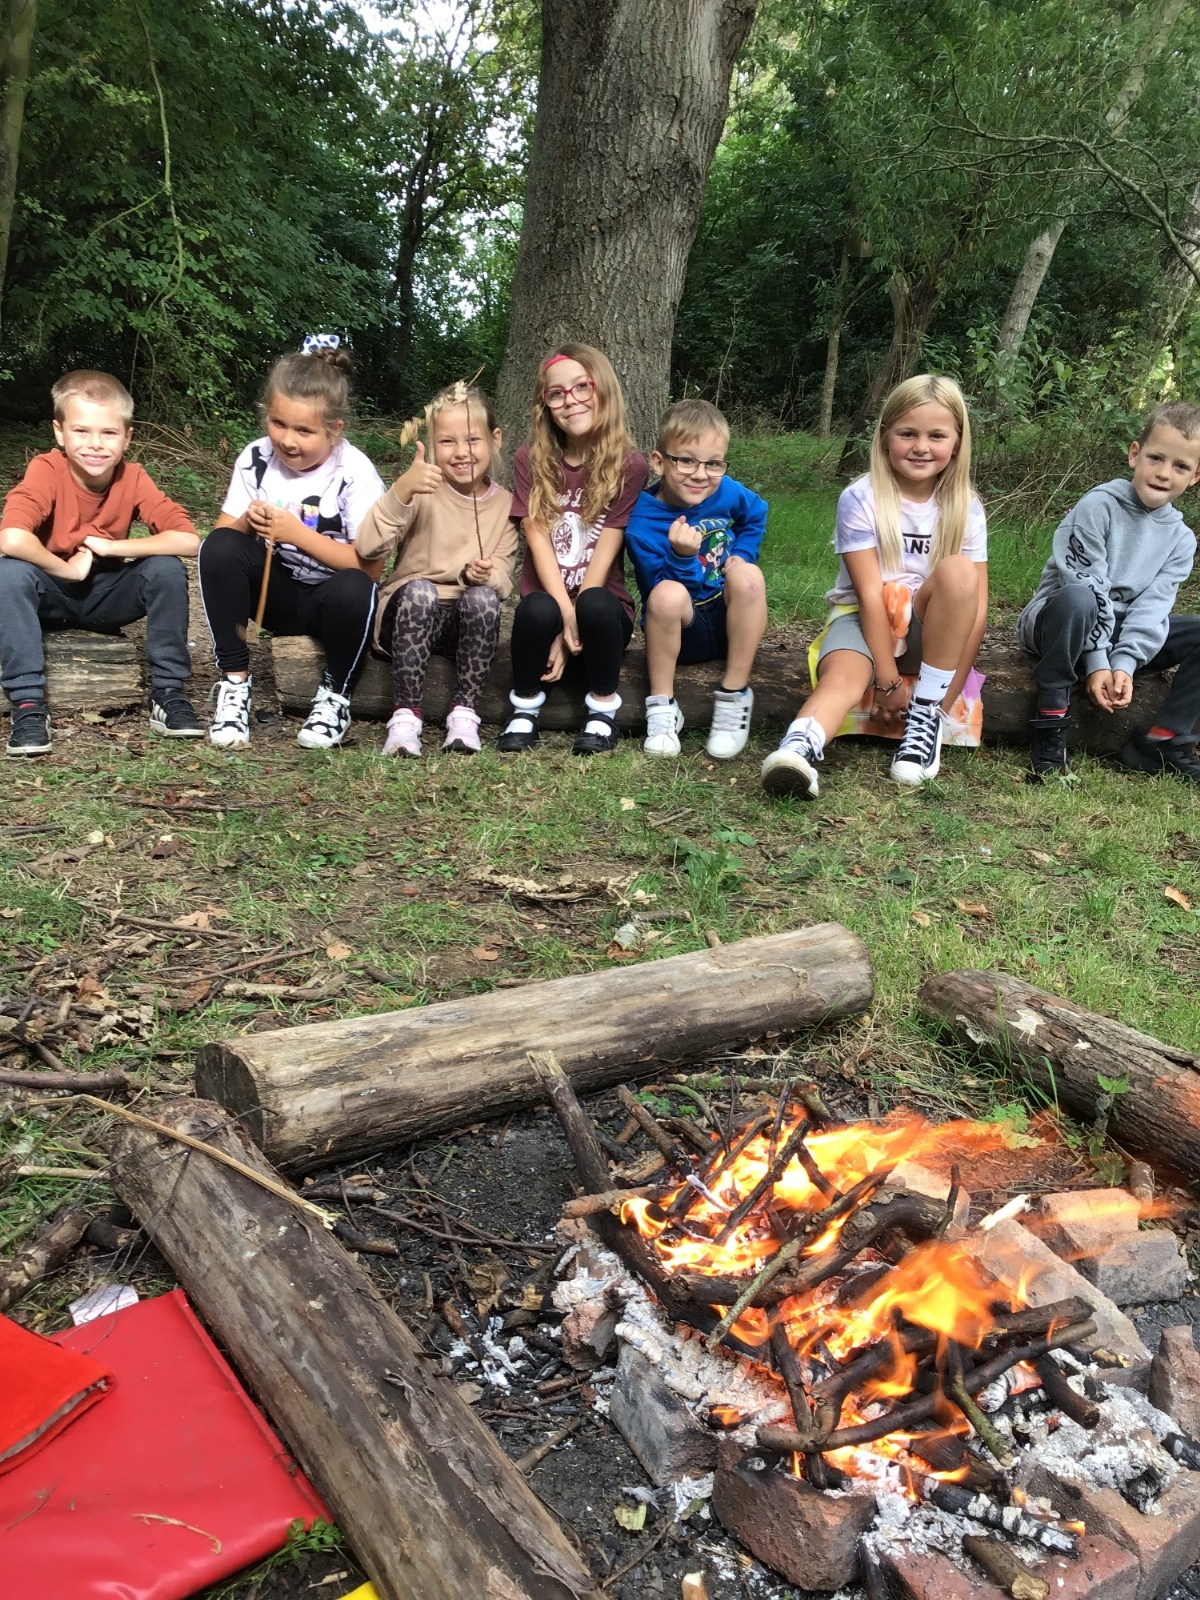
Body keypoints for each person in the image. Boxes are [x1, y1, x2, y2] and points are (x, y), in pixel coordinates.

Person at [761, 374, 988, 799]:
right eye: (908, 433)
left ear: (957, 443)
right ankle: (796, 751)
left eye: (937, 435)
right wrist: (886, 681)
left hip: (932, 628)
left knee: (959, 572)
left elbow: (975, 612)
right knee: (842, 679)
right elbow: (868, 594)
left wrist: (942, 703)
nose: (921, 446)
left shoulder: (966, 507)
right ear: (884, 436)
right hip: (865, 619)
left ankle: (923, 724)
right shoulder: (861, 497)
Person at [0, 369, 201, 756]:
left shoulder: (133, 477)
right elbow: (11, 537)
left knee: (166, 569)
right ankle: (27, 704)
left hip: (105, 597)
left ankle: (168, 693)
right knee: (8, 574)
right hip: (51, 595)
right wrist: (68, 569)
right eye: (81, 431)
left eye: (109, 433)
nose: (95, 444)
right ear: (60, 433)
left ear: (127, 437)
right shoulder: (47, 469)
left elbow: (188, 539)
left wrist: (111, 547)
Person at [197, 336, 384, 750]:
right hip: (276, 596)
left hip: (333, 603)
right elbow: (223, 539)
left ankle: (335, 695)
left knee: (355, 586)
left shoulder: (355, 472)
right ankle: (234, 684)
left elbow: (371, 568)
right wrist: (249, 520)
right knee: (219, 546)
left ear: (334, 430)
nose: (288, 440)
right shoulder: (256, 458)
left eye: (304, 430)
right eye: (278, 423)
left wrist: (297, 533)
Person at [1017, 401, 1200, 783]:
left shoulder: (1181, 540)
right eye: (1156, 458)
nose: (1164, 473)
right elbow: (1084, 581)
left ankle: (1164, 740)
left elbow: (1153, 607)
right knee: (1080, 599)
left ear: (1195, 476)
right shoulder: (1098, 505)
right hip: (1060, 620)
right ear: (1135, 454)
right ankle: (1051, 725)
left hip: (1118, 633)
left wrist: (1125, 664)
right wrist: (1099, 661)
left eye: (1180, 466)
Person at [498, 344, 647, 755]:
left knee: (595, 603)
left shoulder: (629, 465)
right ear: (545, 405)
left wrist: (572, 627)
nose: (571, 400)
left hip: (601, 614)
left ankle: (602, 712)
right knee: (535, 608)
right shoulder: (531, 458)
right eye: (556, 393)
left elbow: (608, 545)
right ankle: (524, 708)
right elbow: (537, 538)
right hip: (550, 606)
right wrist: (564, 616)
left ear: (603, 390)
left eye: (582, 387)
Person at [355, 383, 516, 756]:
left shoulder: (506, 505)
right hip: (407, 614)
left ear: (495, 439)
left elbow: (504, 578)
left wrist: (485, 574)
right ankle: (405, 717)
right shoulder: (422, 489)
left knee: (483, 599)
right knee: (421, 592)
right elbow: (368, 546)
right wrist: (401, 491)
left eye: (472, 440)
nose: (461, 452)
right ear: (431, 443)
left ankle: (463, 715)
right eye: (447, 442)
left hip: (459, 622)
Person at [624, 398, 767, 758]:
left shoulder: (725, 490)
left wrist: (741, 554)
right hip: (683, 632)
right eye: (686, 460)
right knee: (666, 595)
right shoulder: (643, 524)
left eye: (713, 463)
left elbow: (756, 513)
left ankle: (734, 696)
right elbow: (662, 595)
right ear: (659, 462)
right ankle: (662, 707)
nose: (701, 474)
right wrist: (683, 557)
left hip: (730, 618)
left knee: (749, 576)